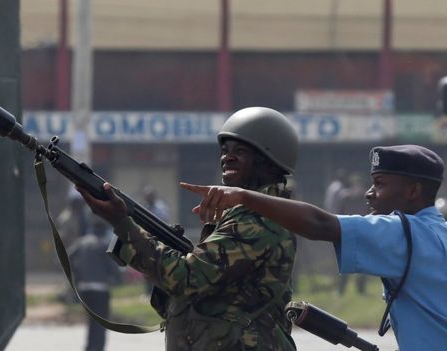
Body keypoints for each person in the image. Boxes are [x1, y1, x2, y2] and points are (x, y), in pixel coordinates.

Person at [181, 144, 447, 350]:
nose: (368, 193)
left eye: (379, 184)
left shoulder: (404, 232)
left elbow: (320, 224)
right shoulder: (439, 231)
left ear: (413, 192)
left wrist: (243, 196)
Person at [77, 107, 299, 350]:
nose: (228, 157)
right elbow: (200, 298)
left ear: (268, 163)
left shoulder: (259, 219)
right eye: (225, 151)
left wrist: (123, 225)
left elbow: (186, 279)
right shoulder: (247, 214)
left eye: (241, 151)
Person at [69, 216, 122, 351]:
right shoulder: (103, 244)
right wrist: (117, 279)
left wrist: (78, 275)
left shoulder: (81, 243)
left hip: (84, 289)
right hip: (100, 289)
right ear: (103, 230)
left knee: (91, 321)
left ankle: (89, 347)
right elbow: (113, 267)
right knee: (101, 323)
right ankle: (97, 348)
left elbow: (68, 257)